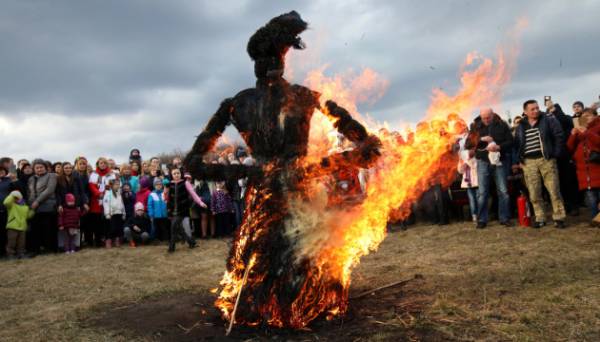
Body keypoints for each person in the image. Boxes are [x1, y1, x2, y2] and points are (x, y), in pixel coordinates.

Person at [514, 100, 567, 228]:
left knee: (553, 189)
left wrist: (555, 154)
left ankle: (559, 217)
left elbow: (559, 135)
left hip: (546, 159)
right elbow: (517, 143)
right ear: (525, 111)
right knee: (534, 192)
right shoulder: (521, 125)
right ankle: (540, 217)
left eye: (537, 108)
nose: (536, 110)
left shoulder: (548, 119)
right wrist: (520, 160)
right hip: (528, 162)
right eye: (532, 109)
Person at [465, 108, 513, 228]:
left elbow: (511, 142)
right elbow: (468, 144)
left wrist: (498, 146)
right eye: (484, 118)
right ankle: (482, 220)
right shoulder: (475, 126)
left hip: (499, 161)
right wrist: (480, 139)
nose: (486, 120)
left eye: (488, 117)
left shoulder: (502, 124)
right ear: (481, 117)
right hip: (483, 162)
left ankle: (504, 218)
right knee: (482, 192)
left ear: (493, 115)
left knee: (503, 191)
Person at [567, 108, 600, 226]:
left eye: (588, 116)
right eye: (583, 116)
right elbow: (569, 148)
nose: (585, 118)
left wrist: (587, 132)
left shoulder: (598, 126)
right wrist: (572, 135)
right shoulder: (579, 131)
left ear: (595, 116)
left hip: (597, 168)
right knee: (591, 200)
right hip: (584, 171)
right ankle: (595, 220)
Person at [546, 101, 580, 215]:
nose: (551, 113)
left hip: (566, 154)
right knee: (559, 183)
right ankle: (566, 205)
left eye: (553, 111)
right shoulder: (547, 121)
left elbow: (563, 120)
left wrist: (554, 110)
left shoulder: (566, 119)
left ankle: (574, 205)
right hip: (554, 156)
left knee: (570, 181)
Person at [166, 168, 203, 253]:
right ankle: (191, 242)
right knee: (179, 228)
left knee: (173, 227)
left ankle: (171, 247)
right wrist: (165, 194)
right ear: (171, 175)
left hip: (182, 209)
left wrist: (200, 202)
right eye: (174, 173)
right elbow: (167, 198)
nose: (176, 175)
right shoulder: (169, 184)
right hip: (172, 210)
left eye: (178, 173)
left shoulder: (185, 183)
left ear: (180, 174)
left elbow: (193, 194)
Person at [28, 159, 59, 254]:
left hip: (48, 206)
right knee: (36, 230)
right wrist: (30, 203)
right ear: (34, 169)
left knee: (49, 229)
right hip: (34, 208)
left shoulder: (52, 175)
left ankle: (50, 249)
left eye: (41, 167)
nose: (39, 169)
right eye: (37, 168)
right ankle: (36, 249)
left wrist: (37, 201)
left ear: (45, 168)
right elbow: (29, 192)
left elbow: (50, 190)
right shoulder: (31, 179)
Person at [88, 157, 115, 247]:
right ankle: (98, 241)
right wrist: (99, 193)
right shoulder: (93, 175)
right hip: (96, 201)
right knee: (97, 222)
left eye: (104, 163)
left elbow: (113, 185)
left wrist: (105, 194)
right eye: (100, 163)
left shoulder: (111, 174)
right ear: (98, 164)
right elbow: (92, 186)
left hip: (108, 199)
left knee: (108, 221)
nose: (102, 164)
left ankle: (108, 239)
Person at [457, 124, 479, 222]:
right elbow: (460, 170)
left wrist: (467, 161)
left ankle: (481, 213)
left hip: (477, 177)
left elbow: (475, 164)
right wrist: (462, 164)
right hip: (467, 179)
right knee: (471, 198)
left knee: (479, 196)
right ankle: (474, 215)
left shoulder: (475, 153)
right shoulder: (462, 153)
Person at [3, 190, 34, 259]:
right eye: (15, 198)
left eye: (17, 197)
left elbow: (28, 216)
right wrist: (12, 195)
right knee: (11, 242)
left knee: (21, 243)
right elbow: (6, 202)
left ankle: (21, 253)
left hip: (22, 227)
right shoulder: (11, 205)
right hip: (12, 227)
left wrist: (32, 210)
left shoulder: (25, 206)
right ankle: (10, 254)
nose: (16, 199)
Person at [103, 179, 125, 248]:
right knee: (110, 228)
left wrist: (123, 213)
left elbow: (122, 204)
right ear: (112, 186)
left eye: (118, 184)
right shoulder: (108, 194)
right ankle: (108, 241)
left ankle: (116, 240)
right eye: (116, 184)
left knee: (118, 228)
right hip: (111, 214)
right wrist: (107, 213)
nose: (117, 186)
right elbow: (106, 204)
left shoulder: (119, 194)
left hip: (119, 213)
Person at [0, 166, 12, 256]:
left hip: (7, 210)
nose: (0, 172)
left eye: (2, 170)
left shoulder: (9, 180)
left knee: (5, 232)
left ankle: (5, 251)